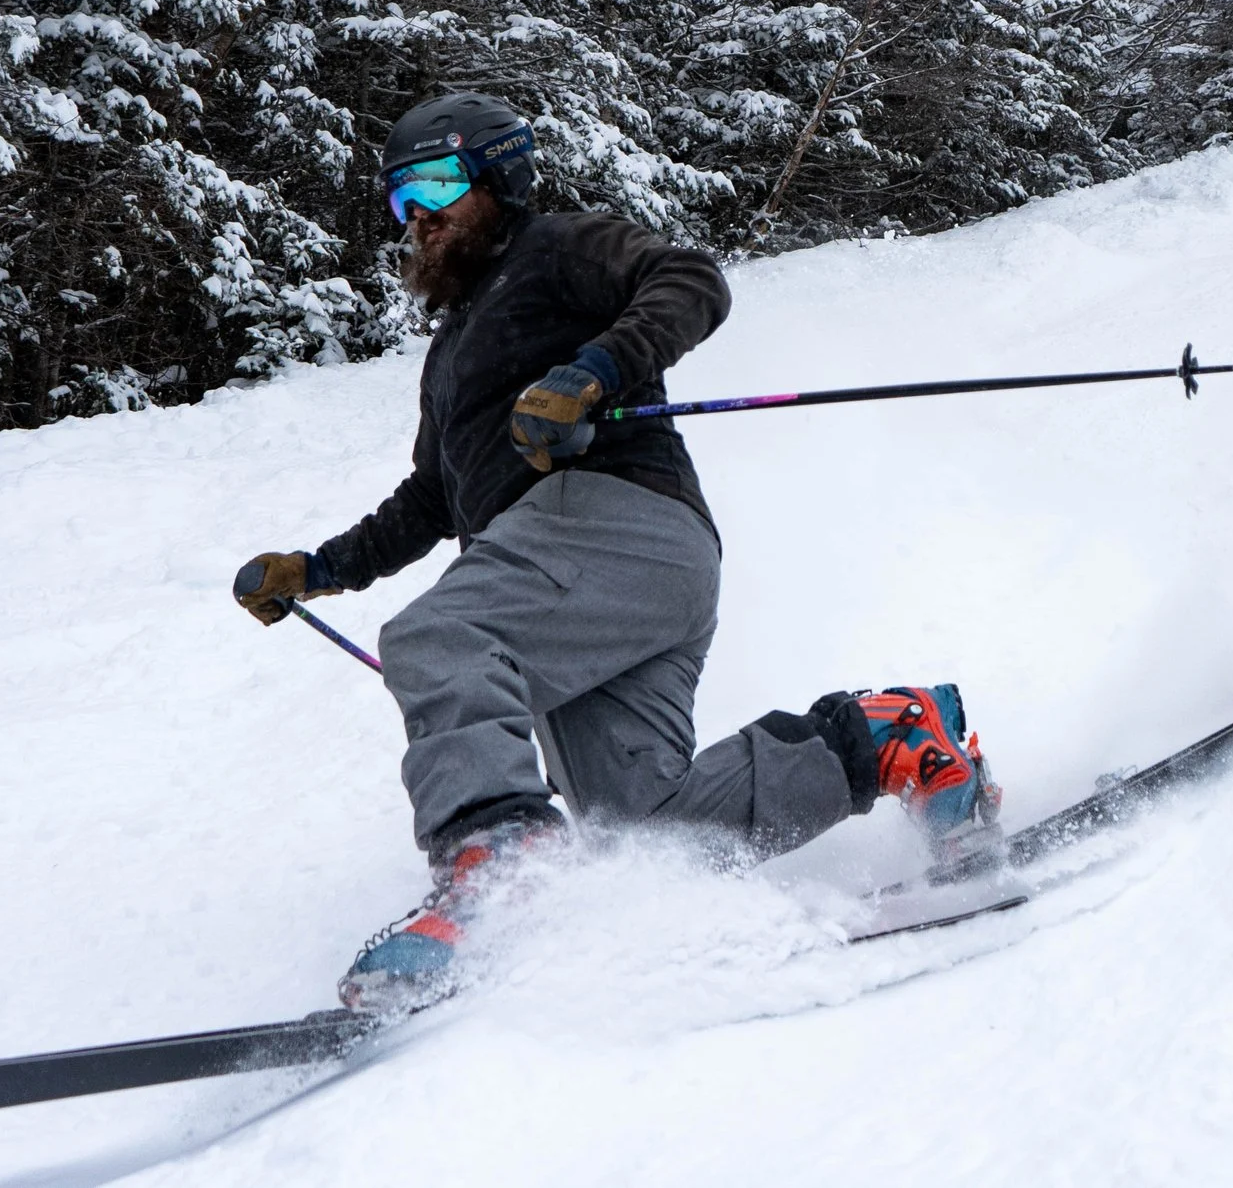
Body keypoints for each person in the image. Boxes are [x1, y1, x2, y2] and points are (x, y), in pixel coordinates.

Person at [234, 92, 997, 1009]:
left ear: (496, 177)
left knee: (437, 636)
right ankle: (888, 736)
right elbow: (431, 499)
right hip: (595, 593)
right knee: (642, 834)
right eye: (403, 199)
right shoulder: (448, 355)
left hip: (611, 519)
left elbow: (690, 279)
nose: (419, 216)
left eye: (435, 185)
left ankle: (497, 868)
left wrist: (590, 373)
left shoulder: (555, 248)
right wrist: (317, 570)